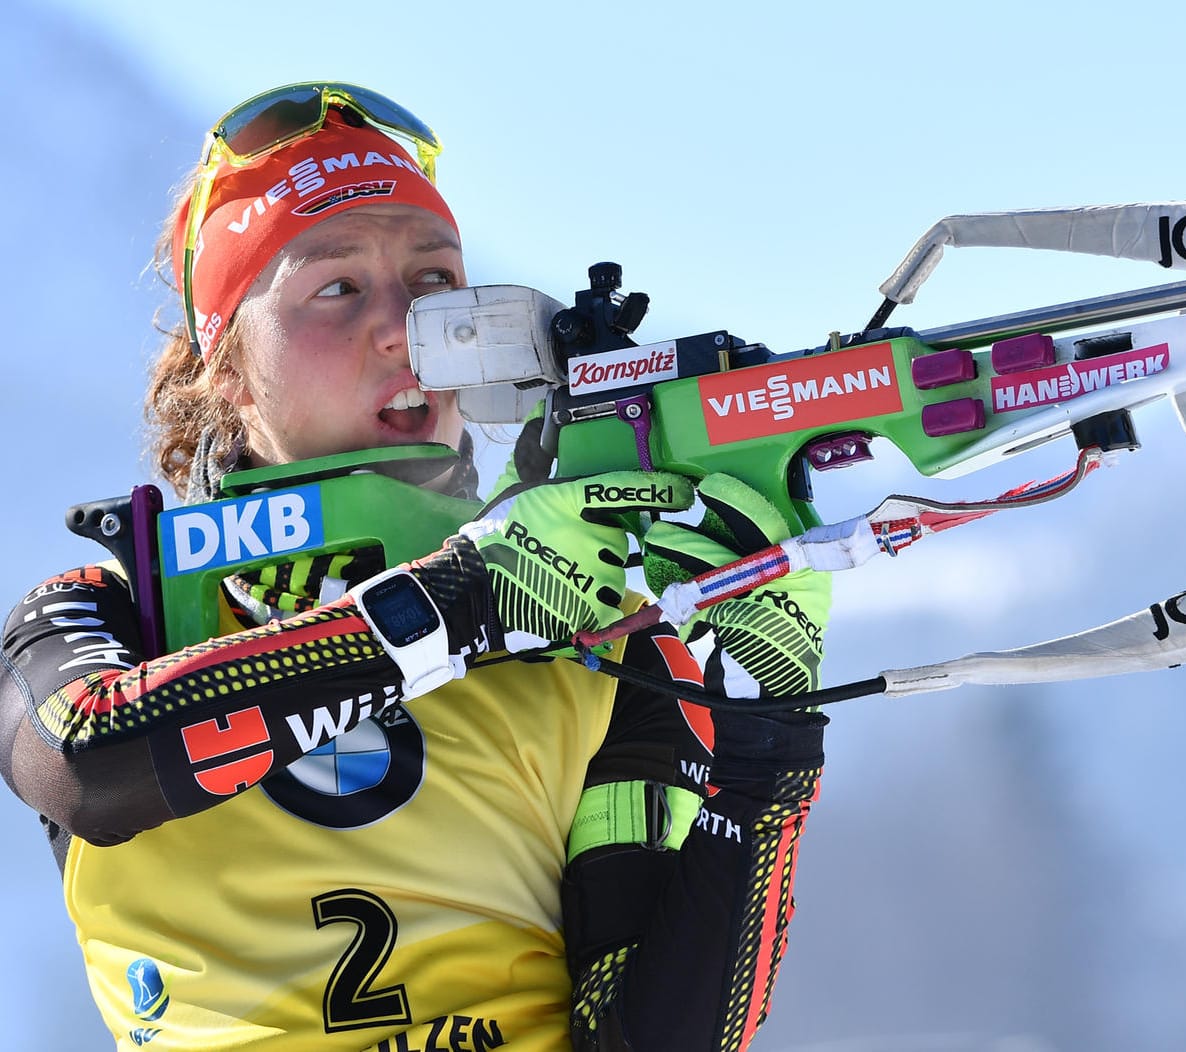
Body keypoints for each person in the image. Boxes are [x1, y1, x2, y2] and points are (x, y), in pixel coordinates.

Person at [0, 82, 831, 1051]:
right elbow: (87, 764)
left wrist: (763, 738)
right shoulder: (115, 615)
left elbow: (656, 1034)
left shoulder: (595, 638)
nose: (406, 330)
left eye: (437, 284)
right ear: (223, 366)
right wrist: (464, 602)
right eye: (336, 287)